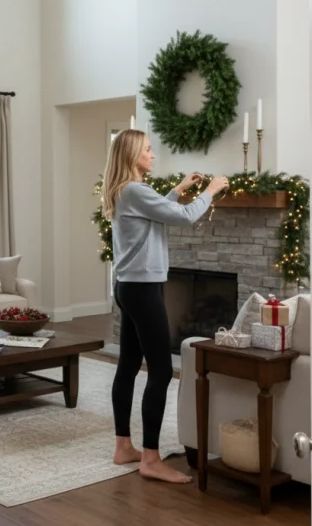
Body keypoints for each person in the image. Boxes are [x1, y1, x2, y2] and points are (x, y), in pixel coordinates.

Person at [100, 128, 228, 484]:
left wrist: (178, 189)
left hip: (128, 287)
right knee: (159, 371)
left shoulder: (125, 192)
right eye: (147, 149)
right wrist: (209, 191)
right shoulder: (135, 190)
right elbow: (184, 217)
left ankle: (124, 446)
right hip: (143, 289)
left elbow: (158, 211)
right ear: (131, 156)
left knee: (127, 367)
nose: (153, 155)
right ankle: (151, 459)